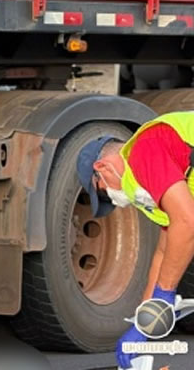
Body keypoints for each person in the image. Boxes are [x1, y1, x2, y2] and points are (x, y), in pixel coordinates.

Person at [77, 111, 194, 369]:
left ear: (102, 168)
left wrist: (164, 296)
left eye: (103, 194)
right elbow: (165, 250)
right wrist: (145, 325)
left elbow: (187, 224)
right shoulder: (149, 181)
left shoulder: (145, 149)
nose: (113, 200)